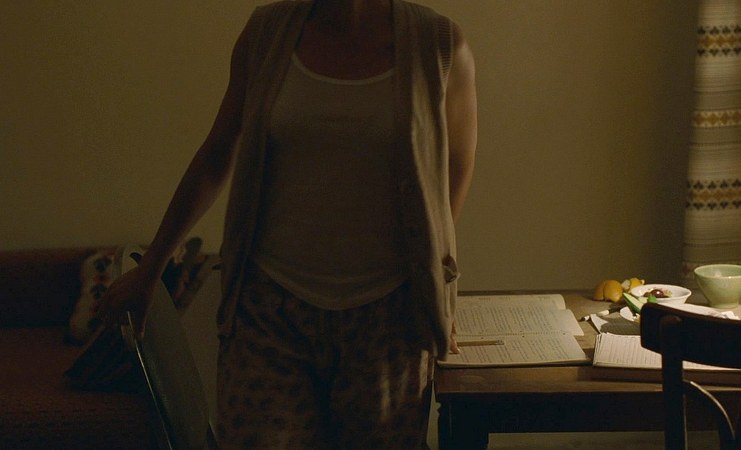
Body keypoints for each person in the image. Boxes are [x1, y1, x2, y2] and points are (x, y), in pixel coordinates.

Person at [96, 0, 476, 448]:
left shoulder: (439, 45)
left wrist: (432, 281)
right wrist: (150, 270)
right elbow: (217, 153)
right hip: (269, 313)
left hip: (387, 320)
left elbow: (452, 171)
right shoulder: (266, 35)